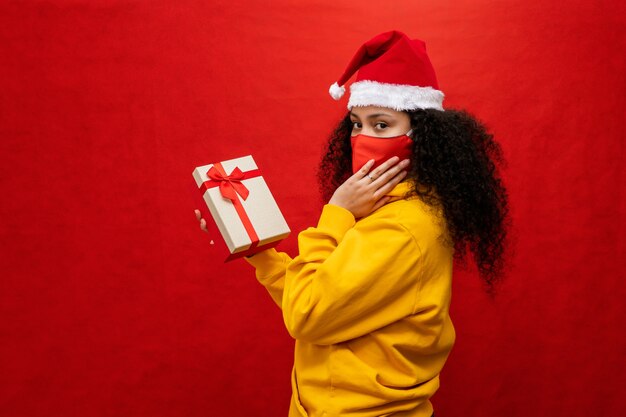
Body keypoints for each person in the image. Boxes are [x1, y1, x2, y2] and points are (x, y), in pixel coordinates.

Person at [195, 30, 509, 417]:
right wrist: (256, 248)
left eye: (381, 125)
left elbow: (307, 314)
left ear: (423, 134)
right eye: (357, 124)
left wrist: (337, 212)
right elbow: (318, 299)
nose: (362, 138)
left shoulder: (402, 227)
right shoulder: (387, 207)